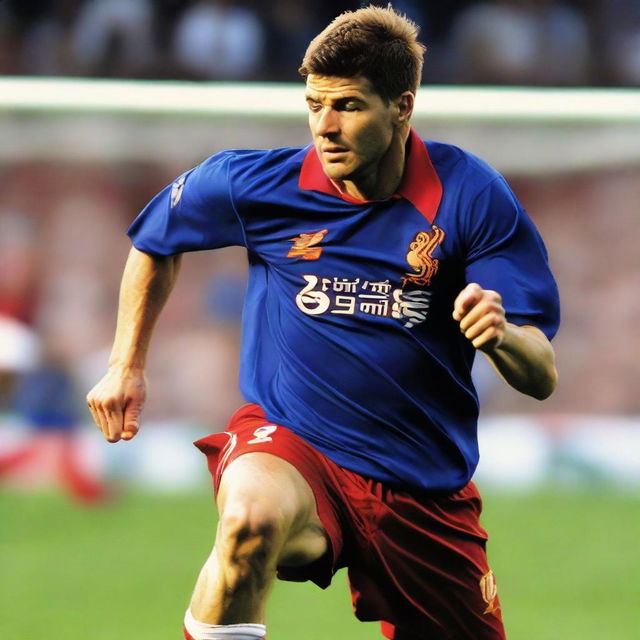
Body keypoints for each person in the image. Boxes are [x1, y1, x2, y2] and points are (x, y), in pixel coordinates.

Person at [86, 5, 559, 639]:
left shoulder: (471, 195)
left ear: (402, 106)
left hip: (419, 488)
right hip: (294, 443)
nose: (325, 127)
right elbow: (155, 239)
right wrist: (124, 366)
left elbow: (541, 373)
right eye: (314, 104)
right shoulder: (258, 183)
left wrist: (500, 337)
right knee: (248, 523)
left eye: (348, 106)